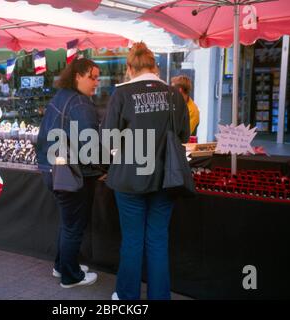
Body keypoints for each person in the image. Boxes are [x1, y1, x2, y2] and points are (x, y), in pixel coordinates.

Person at [103, 42, 190, 300]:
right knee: (158, 241)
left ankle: (128, 297)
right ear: (156, 67)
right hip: (166, 178)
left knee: (132, 240)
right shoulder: (175, 95)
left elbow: (108, 139)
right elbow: (184, 135)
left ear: (130, 68)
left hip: (129, 178)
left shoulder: (121, 94)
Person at [36, 57, 101, 288]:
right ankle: (70, 276)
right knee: (73, 225)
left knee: (67, 222)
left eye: (97, 78)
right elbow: (90, 145)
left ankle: (61, 266)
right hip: (71, 173)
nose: (96, 83)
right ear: (78, 76)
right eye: (92, 77)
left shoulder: (62, 96)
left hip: (51, 169)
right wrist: (104, 167)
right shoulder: (80, 103)